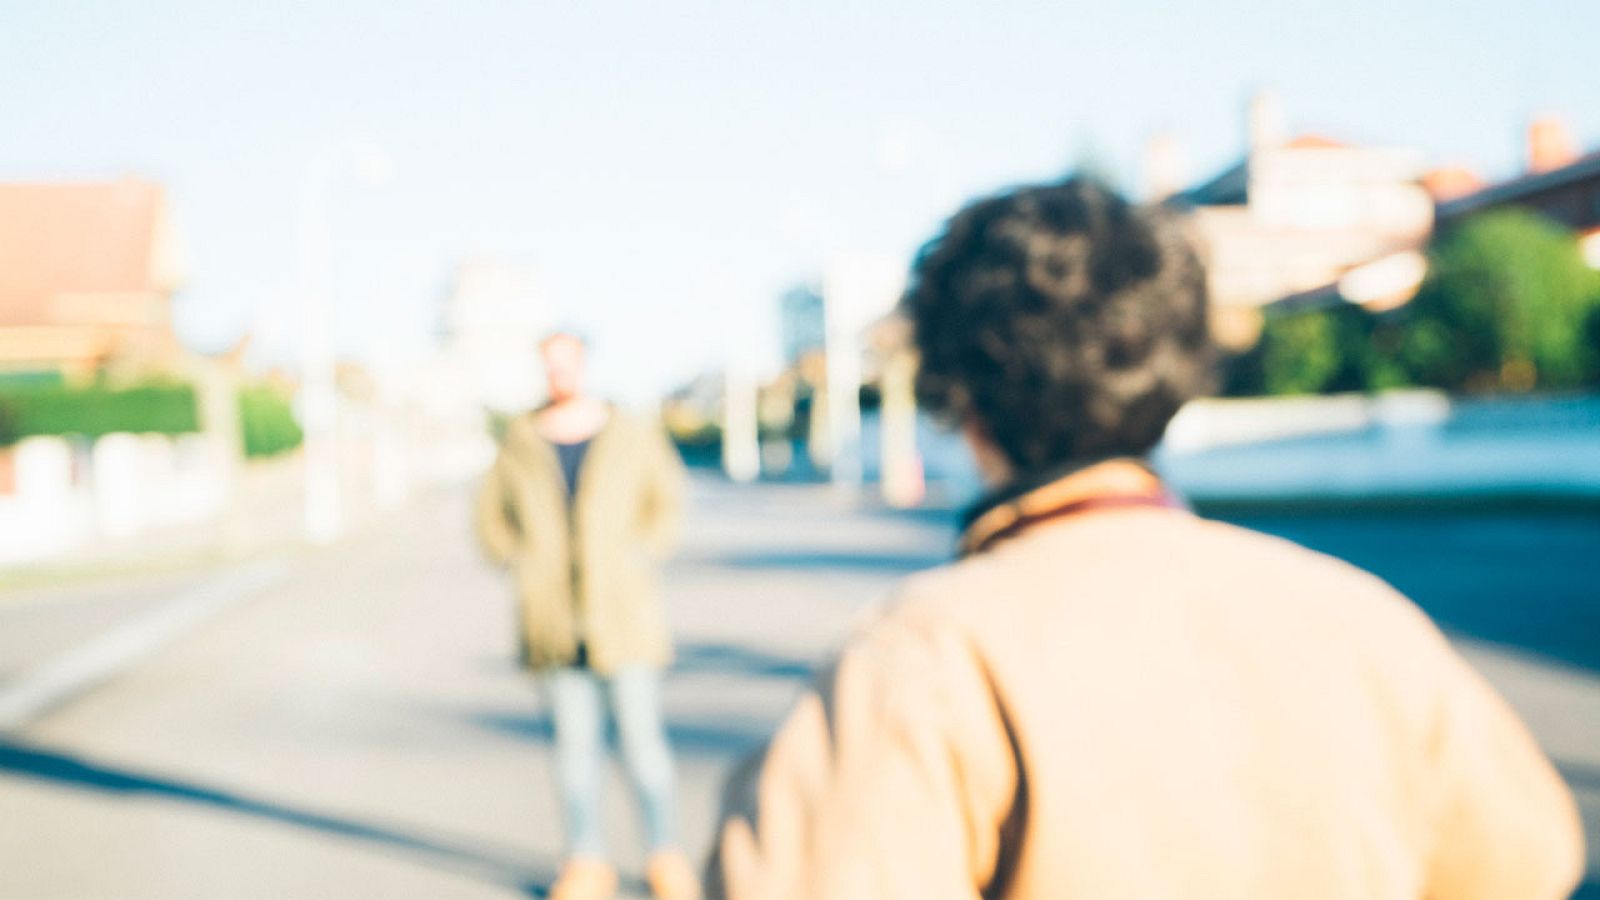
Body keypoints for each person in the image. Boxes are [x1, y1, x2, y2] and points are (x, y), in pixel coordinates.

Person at [705, 179, 1583, 899]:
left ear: (959, 399)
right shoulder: (1361, 618)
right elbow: (1530, 858)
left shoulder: (926, 658)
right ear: (1179, 376)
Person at [476, 331, 699, 900]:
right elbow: (489, 519)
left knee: (644, 748)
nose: (559, 373)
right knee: (574, 755)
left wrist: (640, 554)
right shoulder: (520, 440)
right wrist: (520, 562)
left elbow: (666, 501)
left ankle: (665, 857)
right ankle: (586, 862)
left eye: (568, 362)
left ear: (585, 365)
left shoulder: (629, 434)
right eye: (549, 364)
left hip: (625, 616)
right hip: (552, 619)